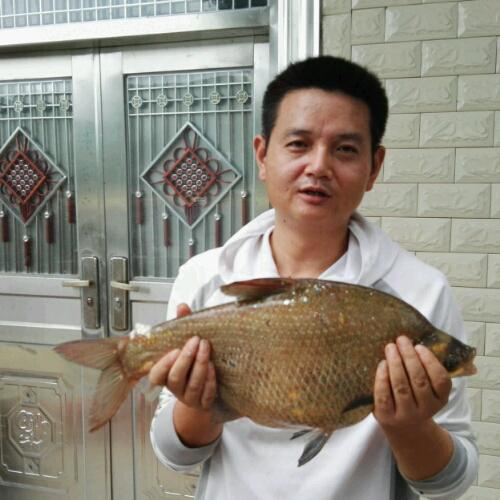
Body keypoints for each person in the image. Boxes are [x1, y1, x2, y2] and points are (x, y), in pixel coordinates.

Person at [148, 56, 478, 499]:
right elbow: (174, 457)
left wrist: (411, 427)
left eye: (345, 149)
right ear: (263, 155)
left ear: (374, 167)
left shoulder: (421, 292)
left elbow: (451, 484)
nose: (319, 166)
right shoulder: (206, 277)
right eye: (299, 144)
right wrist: (197, 407)